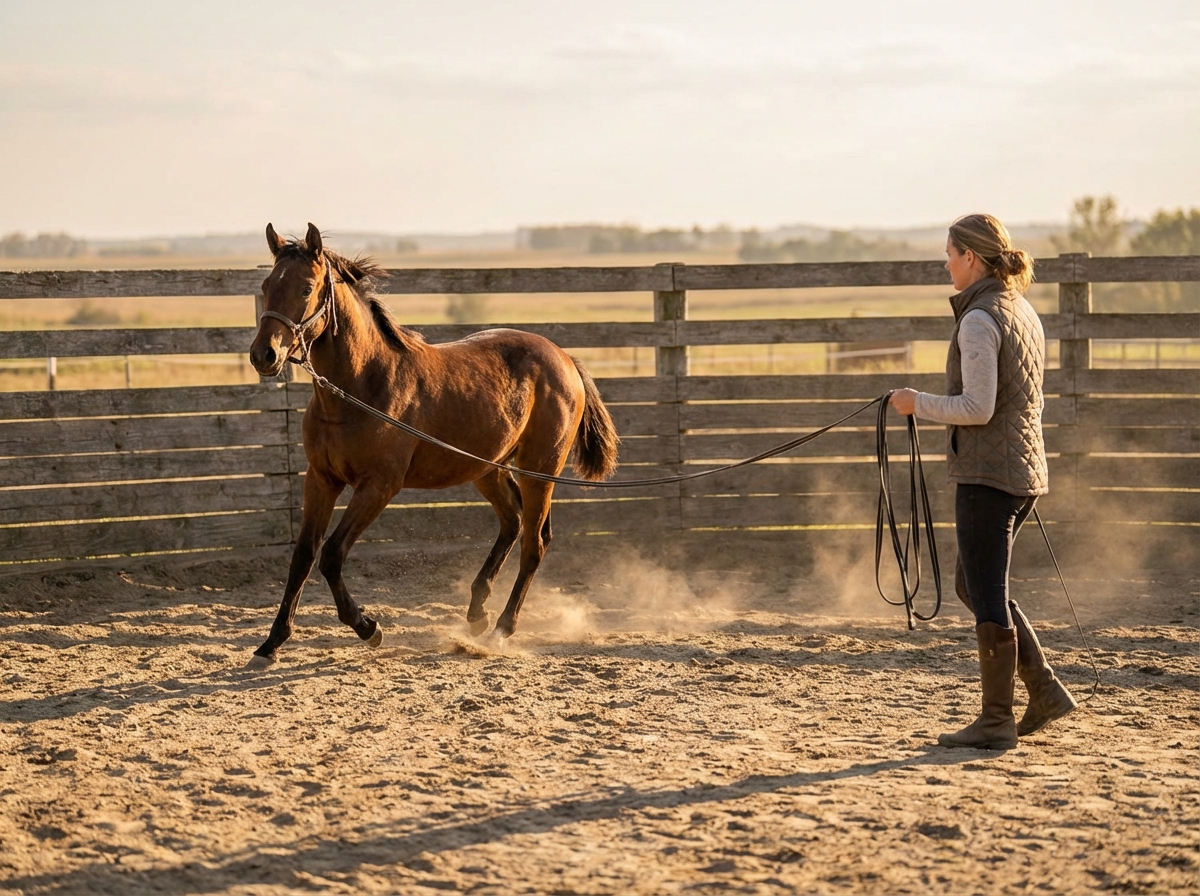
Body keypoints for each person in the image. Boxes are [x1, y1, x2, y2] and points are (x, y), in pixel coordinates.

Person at [890, 213, 1077, 750]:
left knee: (986, 592)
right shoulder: (1021, 311)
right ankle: (1043, 691)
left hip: (989, 475)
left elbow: (978, 406)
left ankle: (997, 719)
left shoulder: (978, 320)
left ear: (971, 257)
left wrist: (913, 403)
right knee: (976, 585)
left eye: (949, 254)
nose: (945, 264)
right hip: (1021, 471)